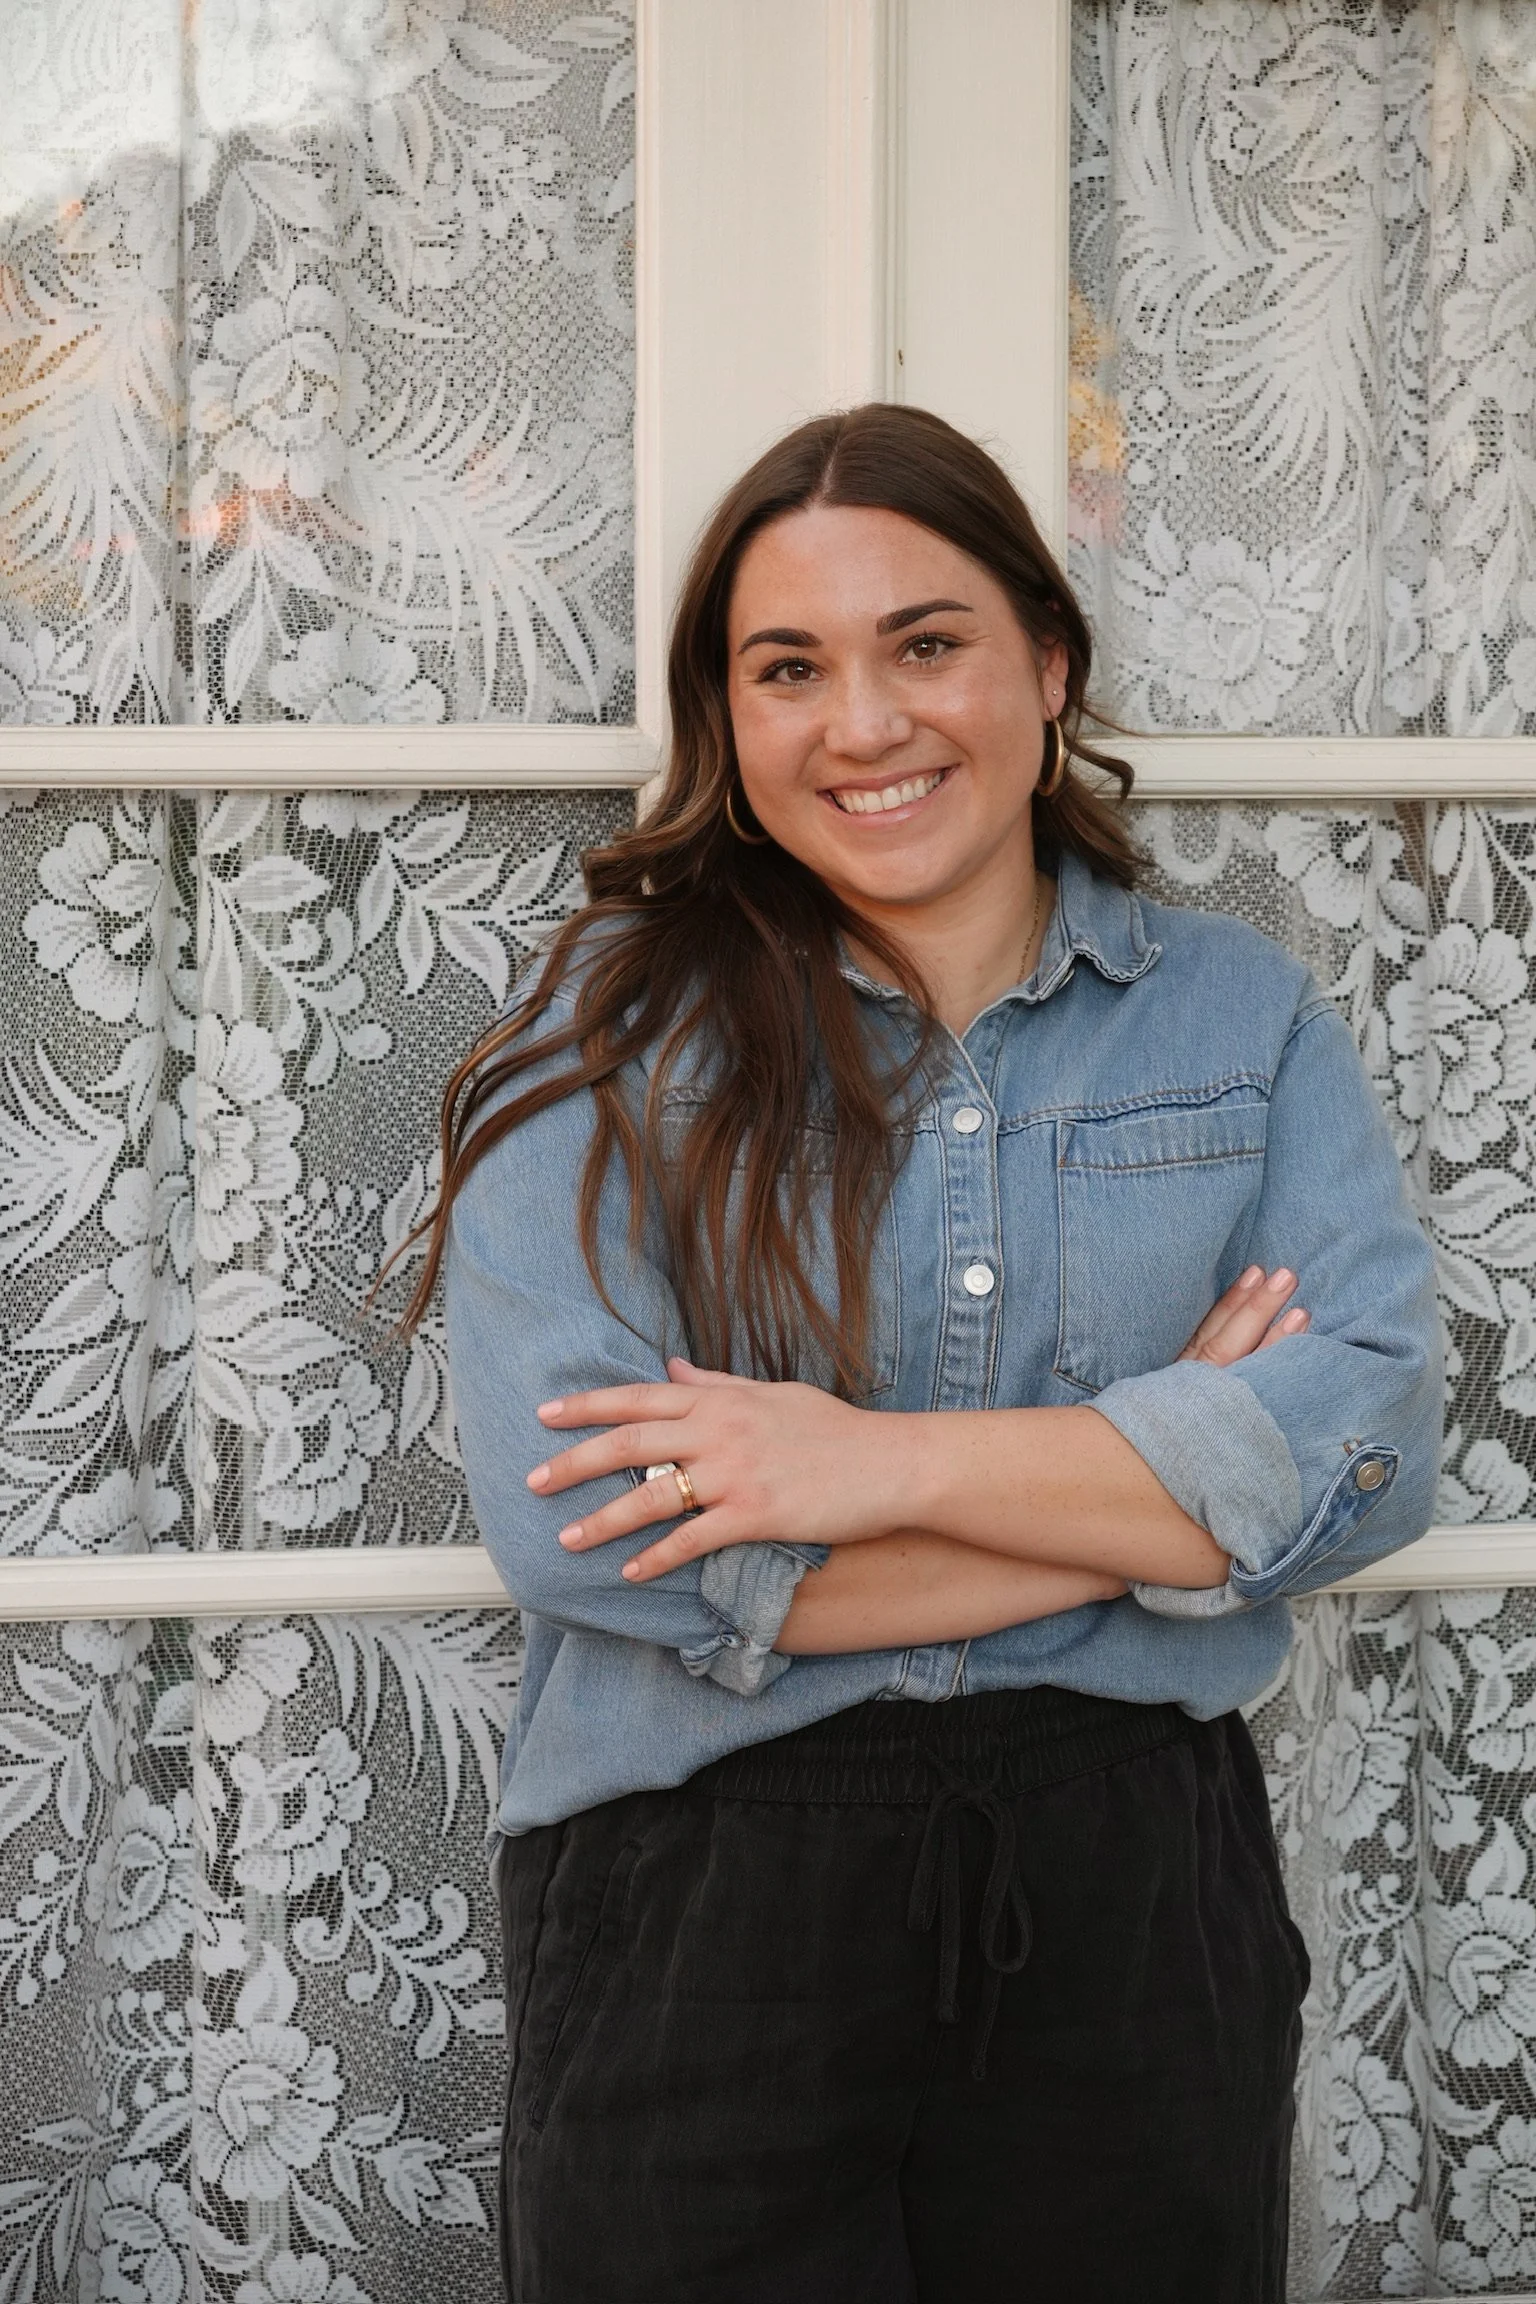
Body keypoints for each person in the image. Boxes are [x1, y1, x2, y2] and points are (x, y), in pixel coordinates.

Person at [402, 404, 1442, 2303]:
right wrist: (1165, 1508)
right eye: (789, 667)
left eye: (927, 644)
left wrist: (866, 1467)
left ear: (1047, 664)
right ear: (732, 722)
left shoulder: (1239, 1019)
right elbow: (588, 1532)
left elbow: (1364, 1440)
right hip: (701, 1896)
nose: (863, 722)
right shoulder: (606, 1047)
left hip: (1131, 1887)